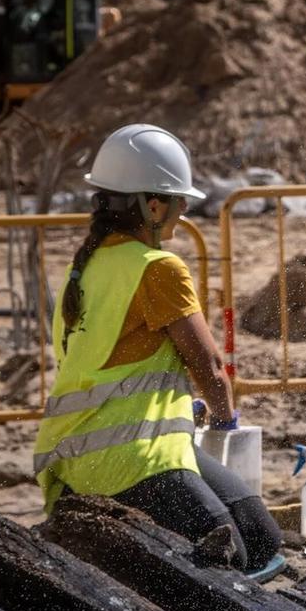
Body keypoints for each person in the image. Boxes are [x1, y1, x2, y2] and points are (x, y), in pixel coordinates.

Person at [35, 123, 281, 575]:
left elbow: (115, 364)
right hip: (127, 457)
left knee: (263, 538)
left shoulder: (86, 267)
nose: (184, 208)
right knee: (232, 561)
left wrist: (180, 407)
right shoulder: (158, 268)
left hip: (84, 451)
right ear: (152, 206)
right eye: (177, 199)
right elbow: (209, 366)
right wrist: (225, 423)